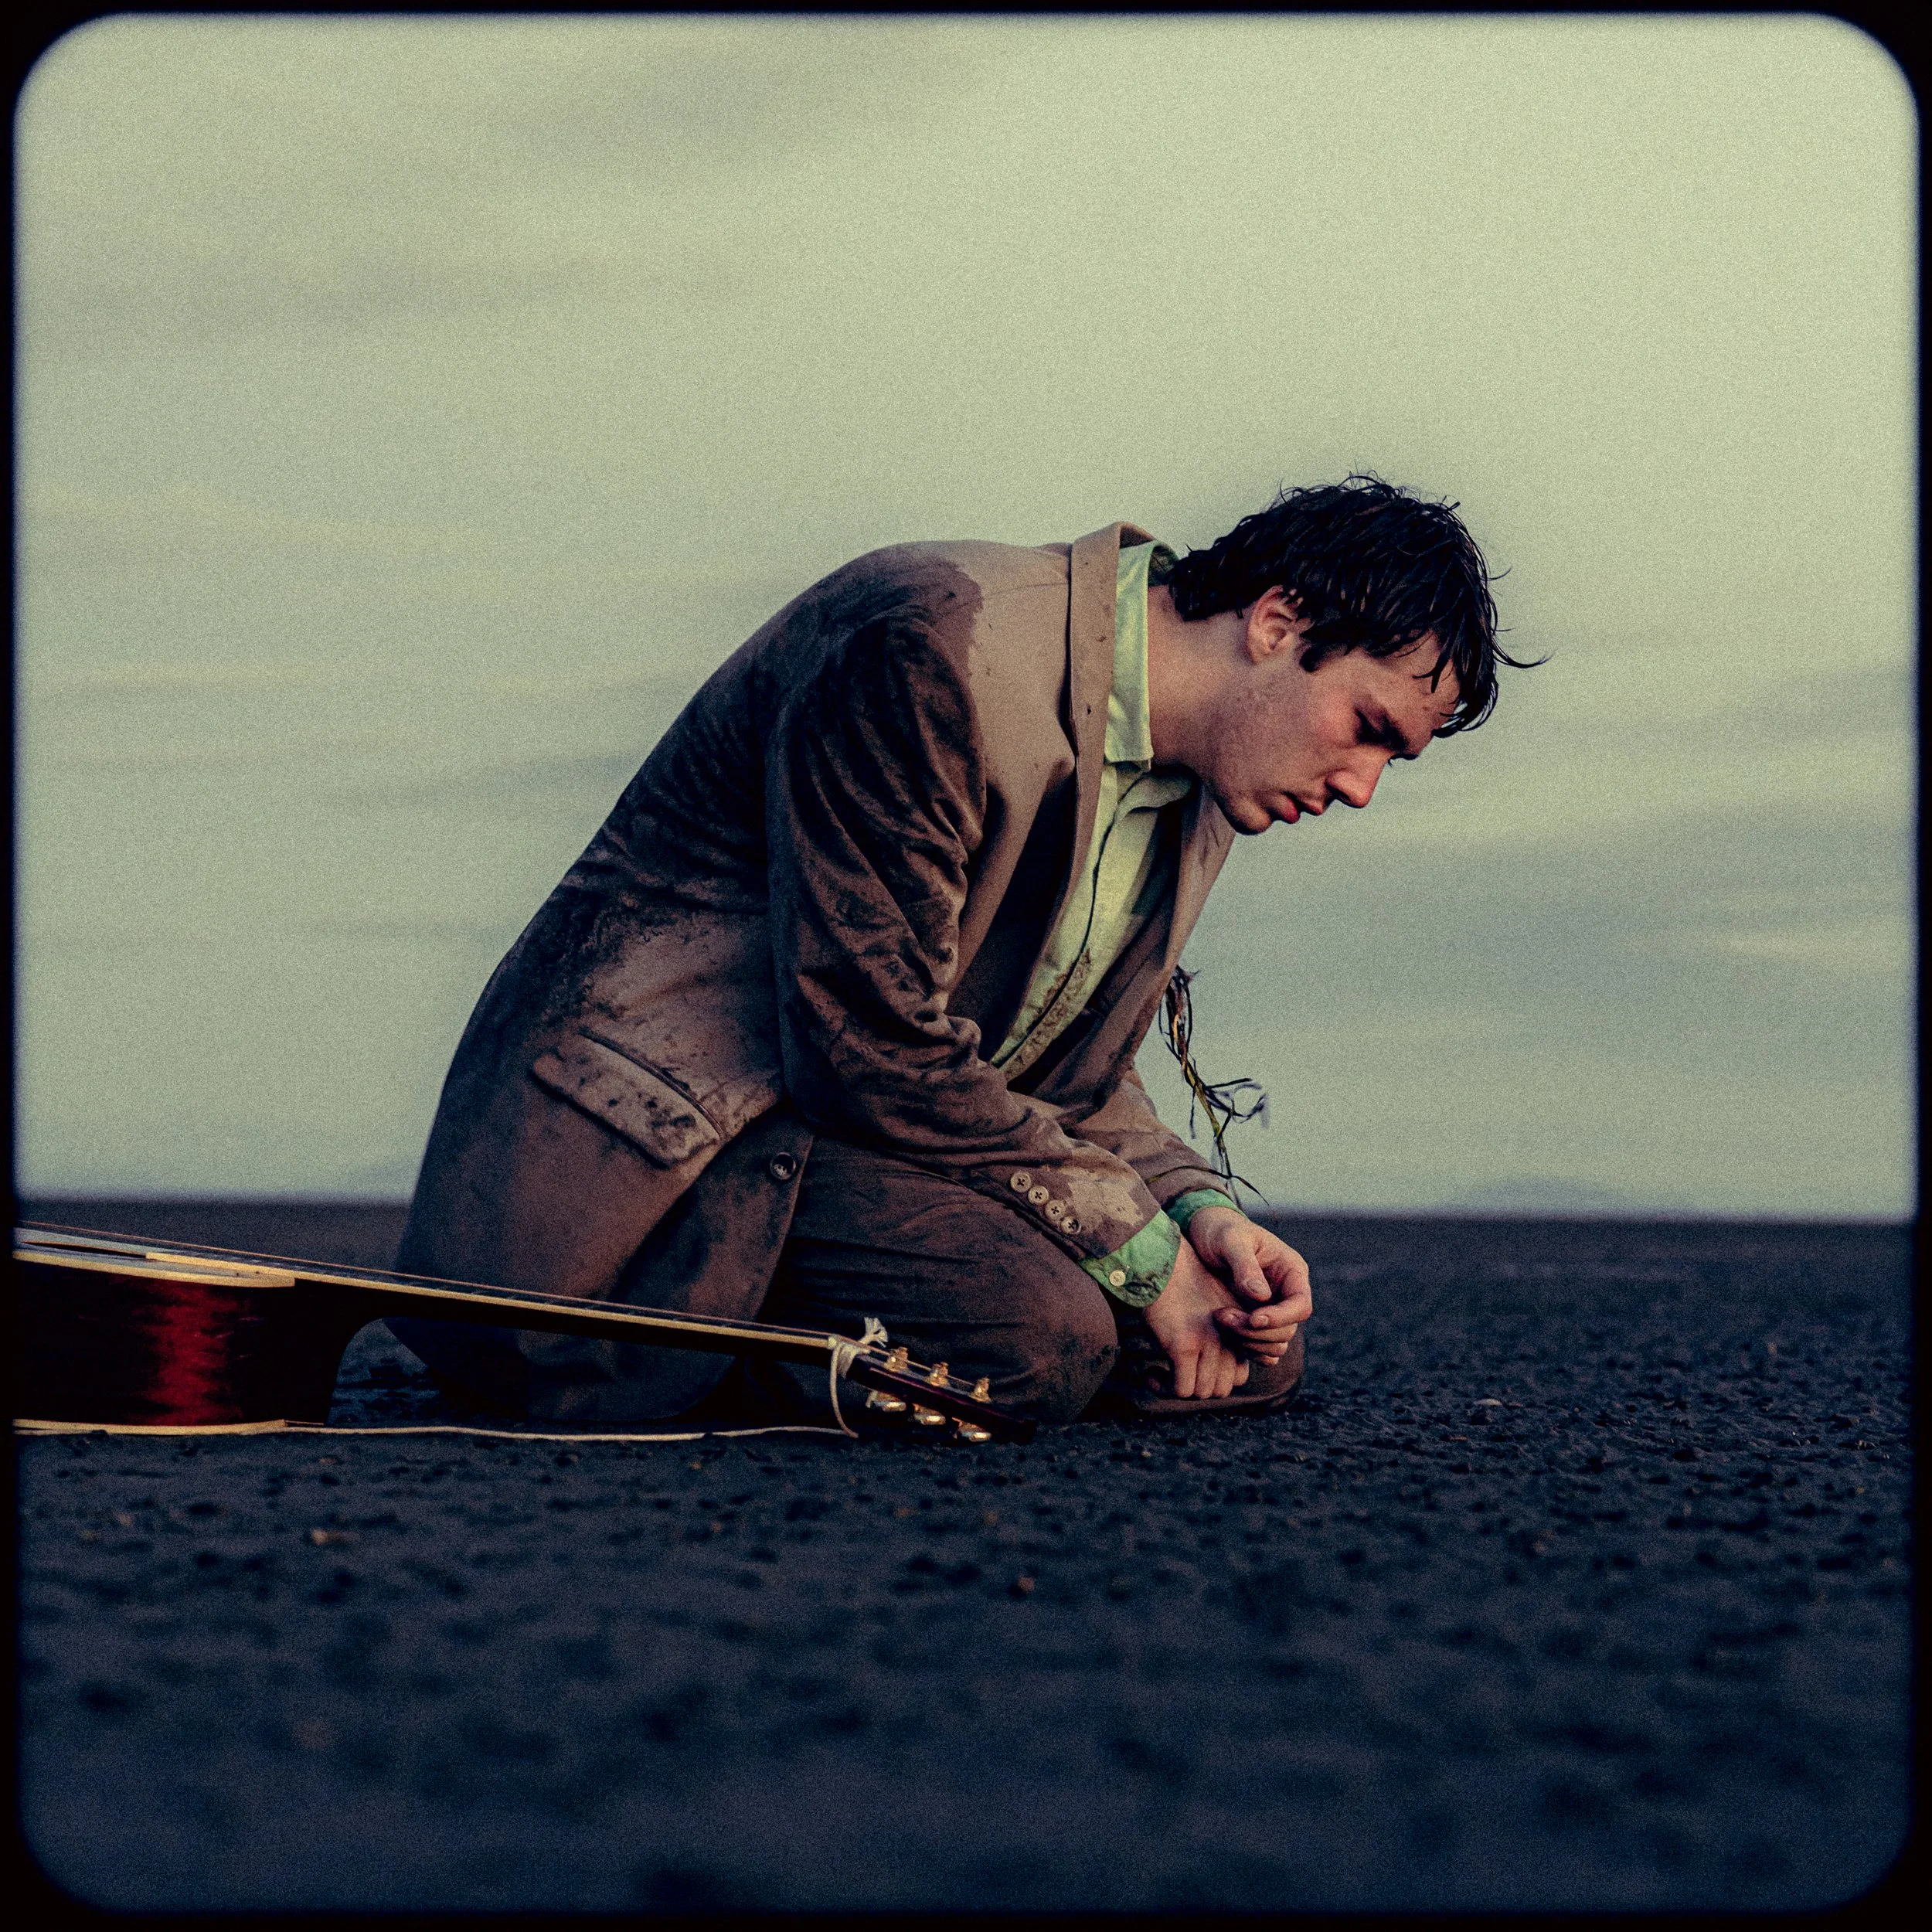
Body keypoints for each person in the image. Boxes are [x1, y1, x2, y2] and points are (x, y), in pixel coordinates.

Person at [388, 475, 1520, 1427]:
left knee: (1248, 1347)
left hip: (858, 1133)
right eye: (1369, 729)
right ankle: (606, 1356)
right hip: (674, 1150)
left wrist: (1192, 1215)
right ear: (1277, 623)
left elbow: (1065, 1059)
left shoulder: (1200, 788)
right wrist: (1133, 1248)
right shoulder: (930, 644)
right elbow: (863, 1039)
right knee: (1038, 1336)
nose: (1363, 790)